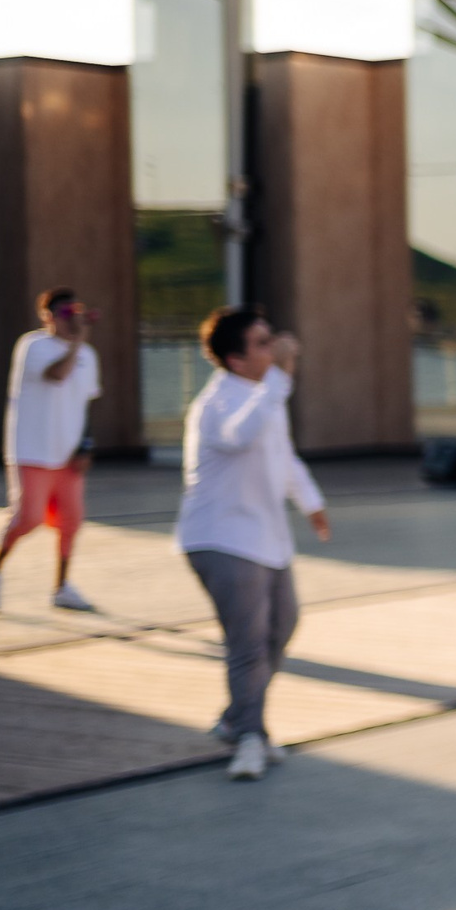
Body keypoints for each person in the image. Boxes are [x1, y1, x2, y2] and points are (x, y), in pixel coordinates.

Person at [176, 306, 331, 782]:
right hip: (221, 538)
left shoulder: (264, 396)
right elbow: (239, 437)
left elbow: (283, 457)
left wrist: (312, 504)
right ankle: (249, 737)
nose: (275, 347)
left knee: (282, 626)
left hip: (265, 538)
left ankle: (235, 718)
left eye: (272, 339)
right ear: (236, 359)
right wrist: (282, 376)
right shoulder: (217, 402)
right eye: (262, 343)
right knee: (247, 644)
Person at [0, 288, 102, 612]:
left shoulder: (89, 356)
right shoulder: (33, 345)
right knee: (28, 518)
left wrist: (85, 446)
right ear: (47, 316)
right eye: (63, 312)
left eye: (74, 311)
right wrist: (76, 342)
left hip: (67, 453)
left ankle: (61, 587)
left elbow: (86, 404)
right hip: (32, 450)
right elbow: (57, 375)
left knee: (72, 521)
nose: (71, 318)